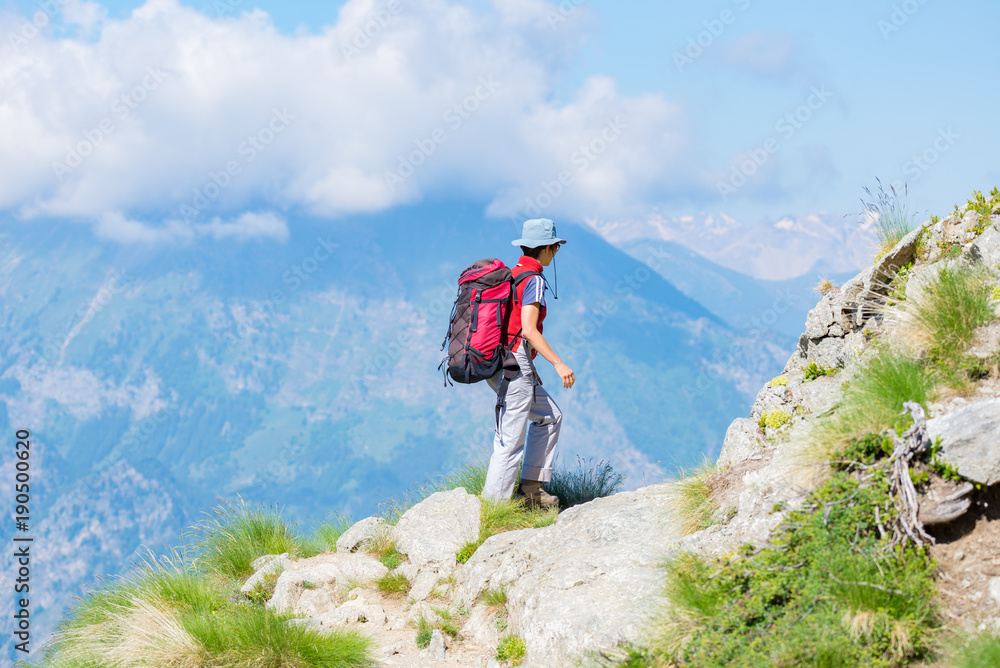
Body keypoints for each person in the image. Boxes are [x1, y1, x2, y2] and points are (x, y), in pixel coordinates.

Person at [483, 218, 576, 507]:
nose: (556, 253)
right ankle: (494, 510)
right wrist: (558, 364)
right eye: (555, 248)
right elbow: (528, 330)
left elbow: (510, 329)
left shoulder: (513, 274)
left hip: (503, 360)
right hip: (514, 364)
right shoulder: (533, 280)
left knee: (550, 417)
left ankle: (531, 491)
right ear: (546, 249)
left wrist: (531, 368)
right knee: (510, 439)